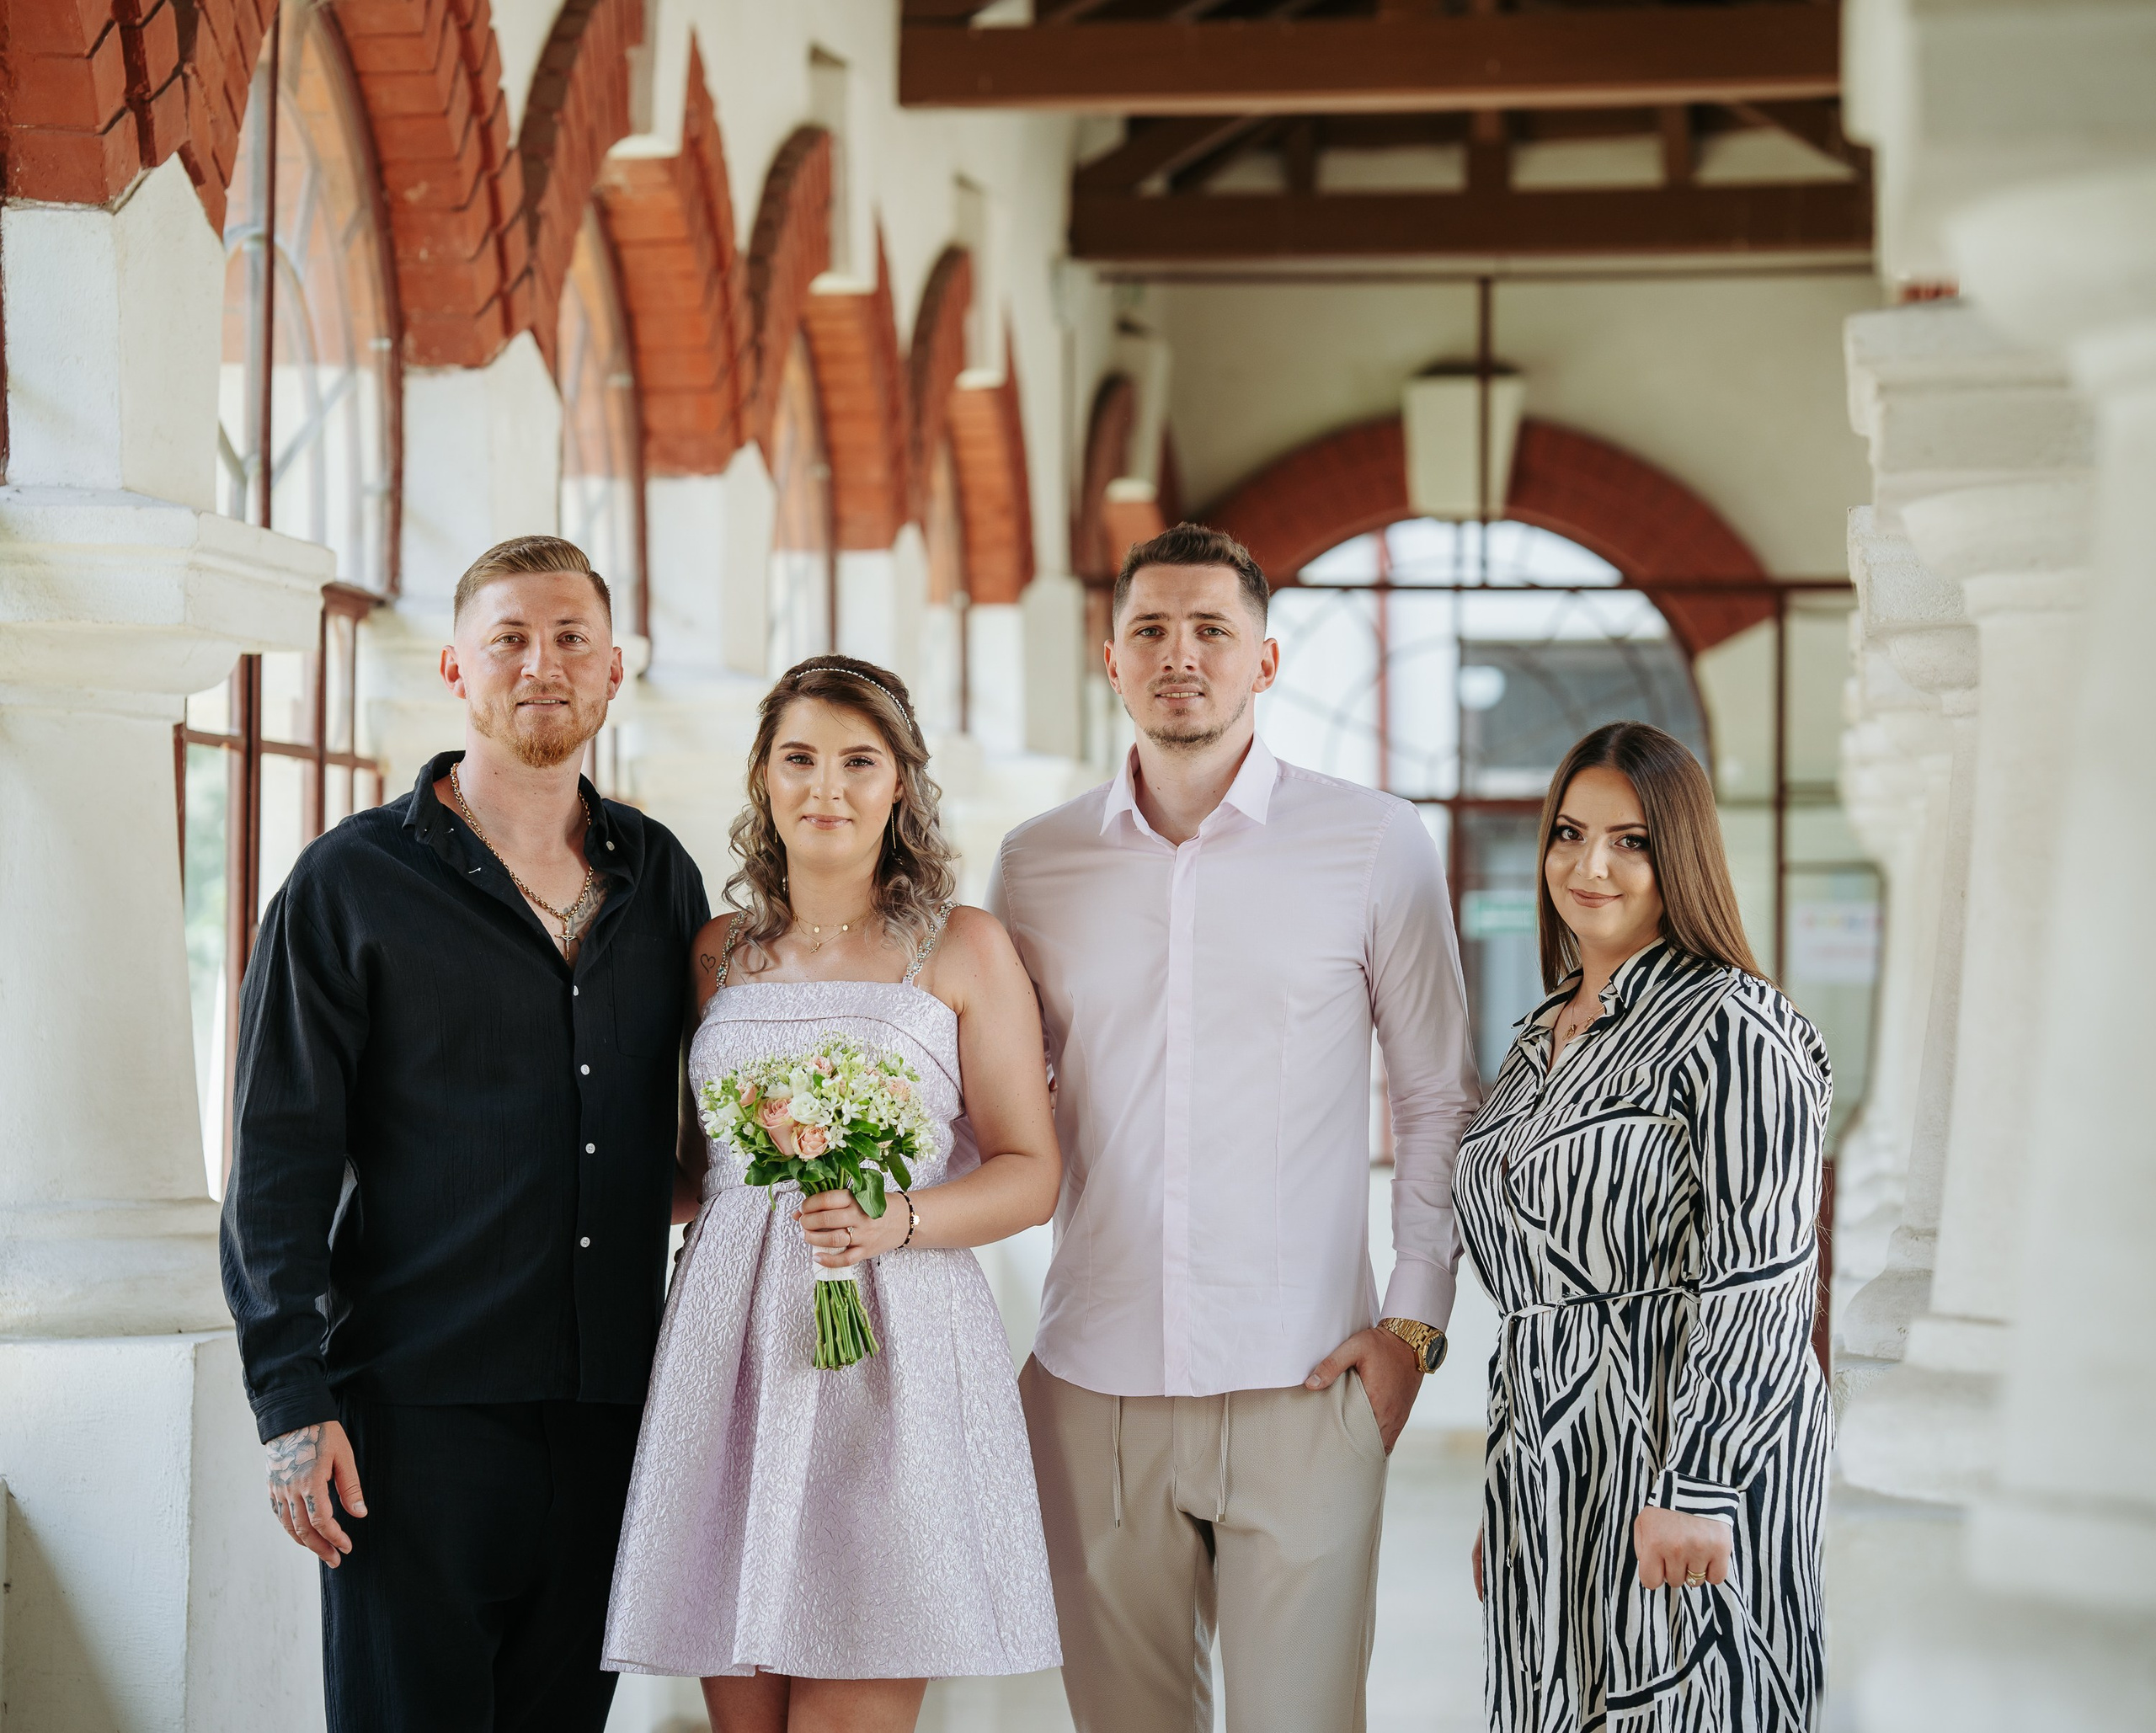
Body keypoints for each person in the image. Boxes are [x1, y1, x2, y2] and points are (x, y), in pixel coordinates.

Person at [989, 522, 1481, 1733]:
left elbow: (1435, 1095)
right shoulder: (1035, 864)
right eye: (1151, 629)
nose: (1180, 654)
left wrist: (1414, 1323)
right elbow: (999, 1113)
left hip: (1309, 1379)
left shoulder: (1375, 840)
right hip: (1094, 1386)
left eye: (1212, 628)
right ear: (1111, 659)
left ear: (1264, 659)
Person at [220, 536, 711, 1731]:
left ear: (613, 671)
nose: (542, 663)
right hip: (412, 1418)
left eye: (571, 638)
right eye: (510, 639)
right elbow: (276, 1165)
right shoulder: (347, 886)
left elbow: (703, 1121)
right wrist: (292, 1405)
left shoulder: (662, 880)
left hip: (612, 1412)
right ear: (455, 668)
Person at [601, 655, 1064, 1732]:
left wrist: (892, 1221)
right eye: (799, 759)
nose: (828, 788)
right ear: (763, 777)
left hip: (893, 1358)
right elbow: (690, 1173)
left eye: (860, 762)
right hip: (733, 1362)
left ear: (900, 783)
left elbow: (1030, 1174)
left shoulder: (963, 946)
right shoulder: (715, 953)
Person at [1454, 721, 1832, 1731]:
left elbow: (1762, 1274)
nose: (1590, 866)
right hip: (1548, 1454)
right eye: (1570, 833)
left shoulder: (1735, 1025)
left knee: (1675, 1708)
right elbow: (1532, 1282)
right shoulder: (1539, 1037)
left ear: (1683, 855)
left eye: (1631, 841)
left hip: (1680, 1446)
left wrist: (1700, 1481)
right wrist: (1518, 1488)